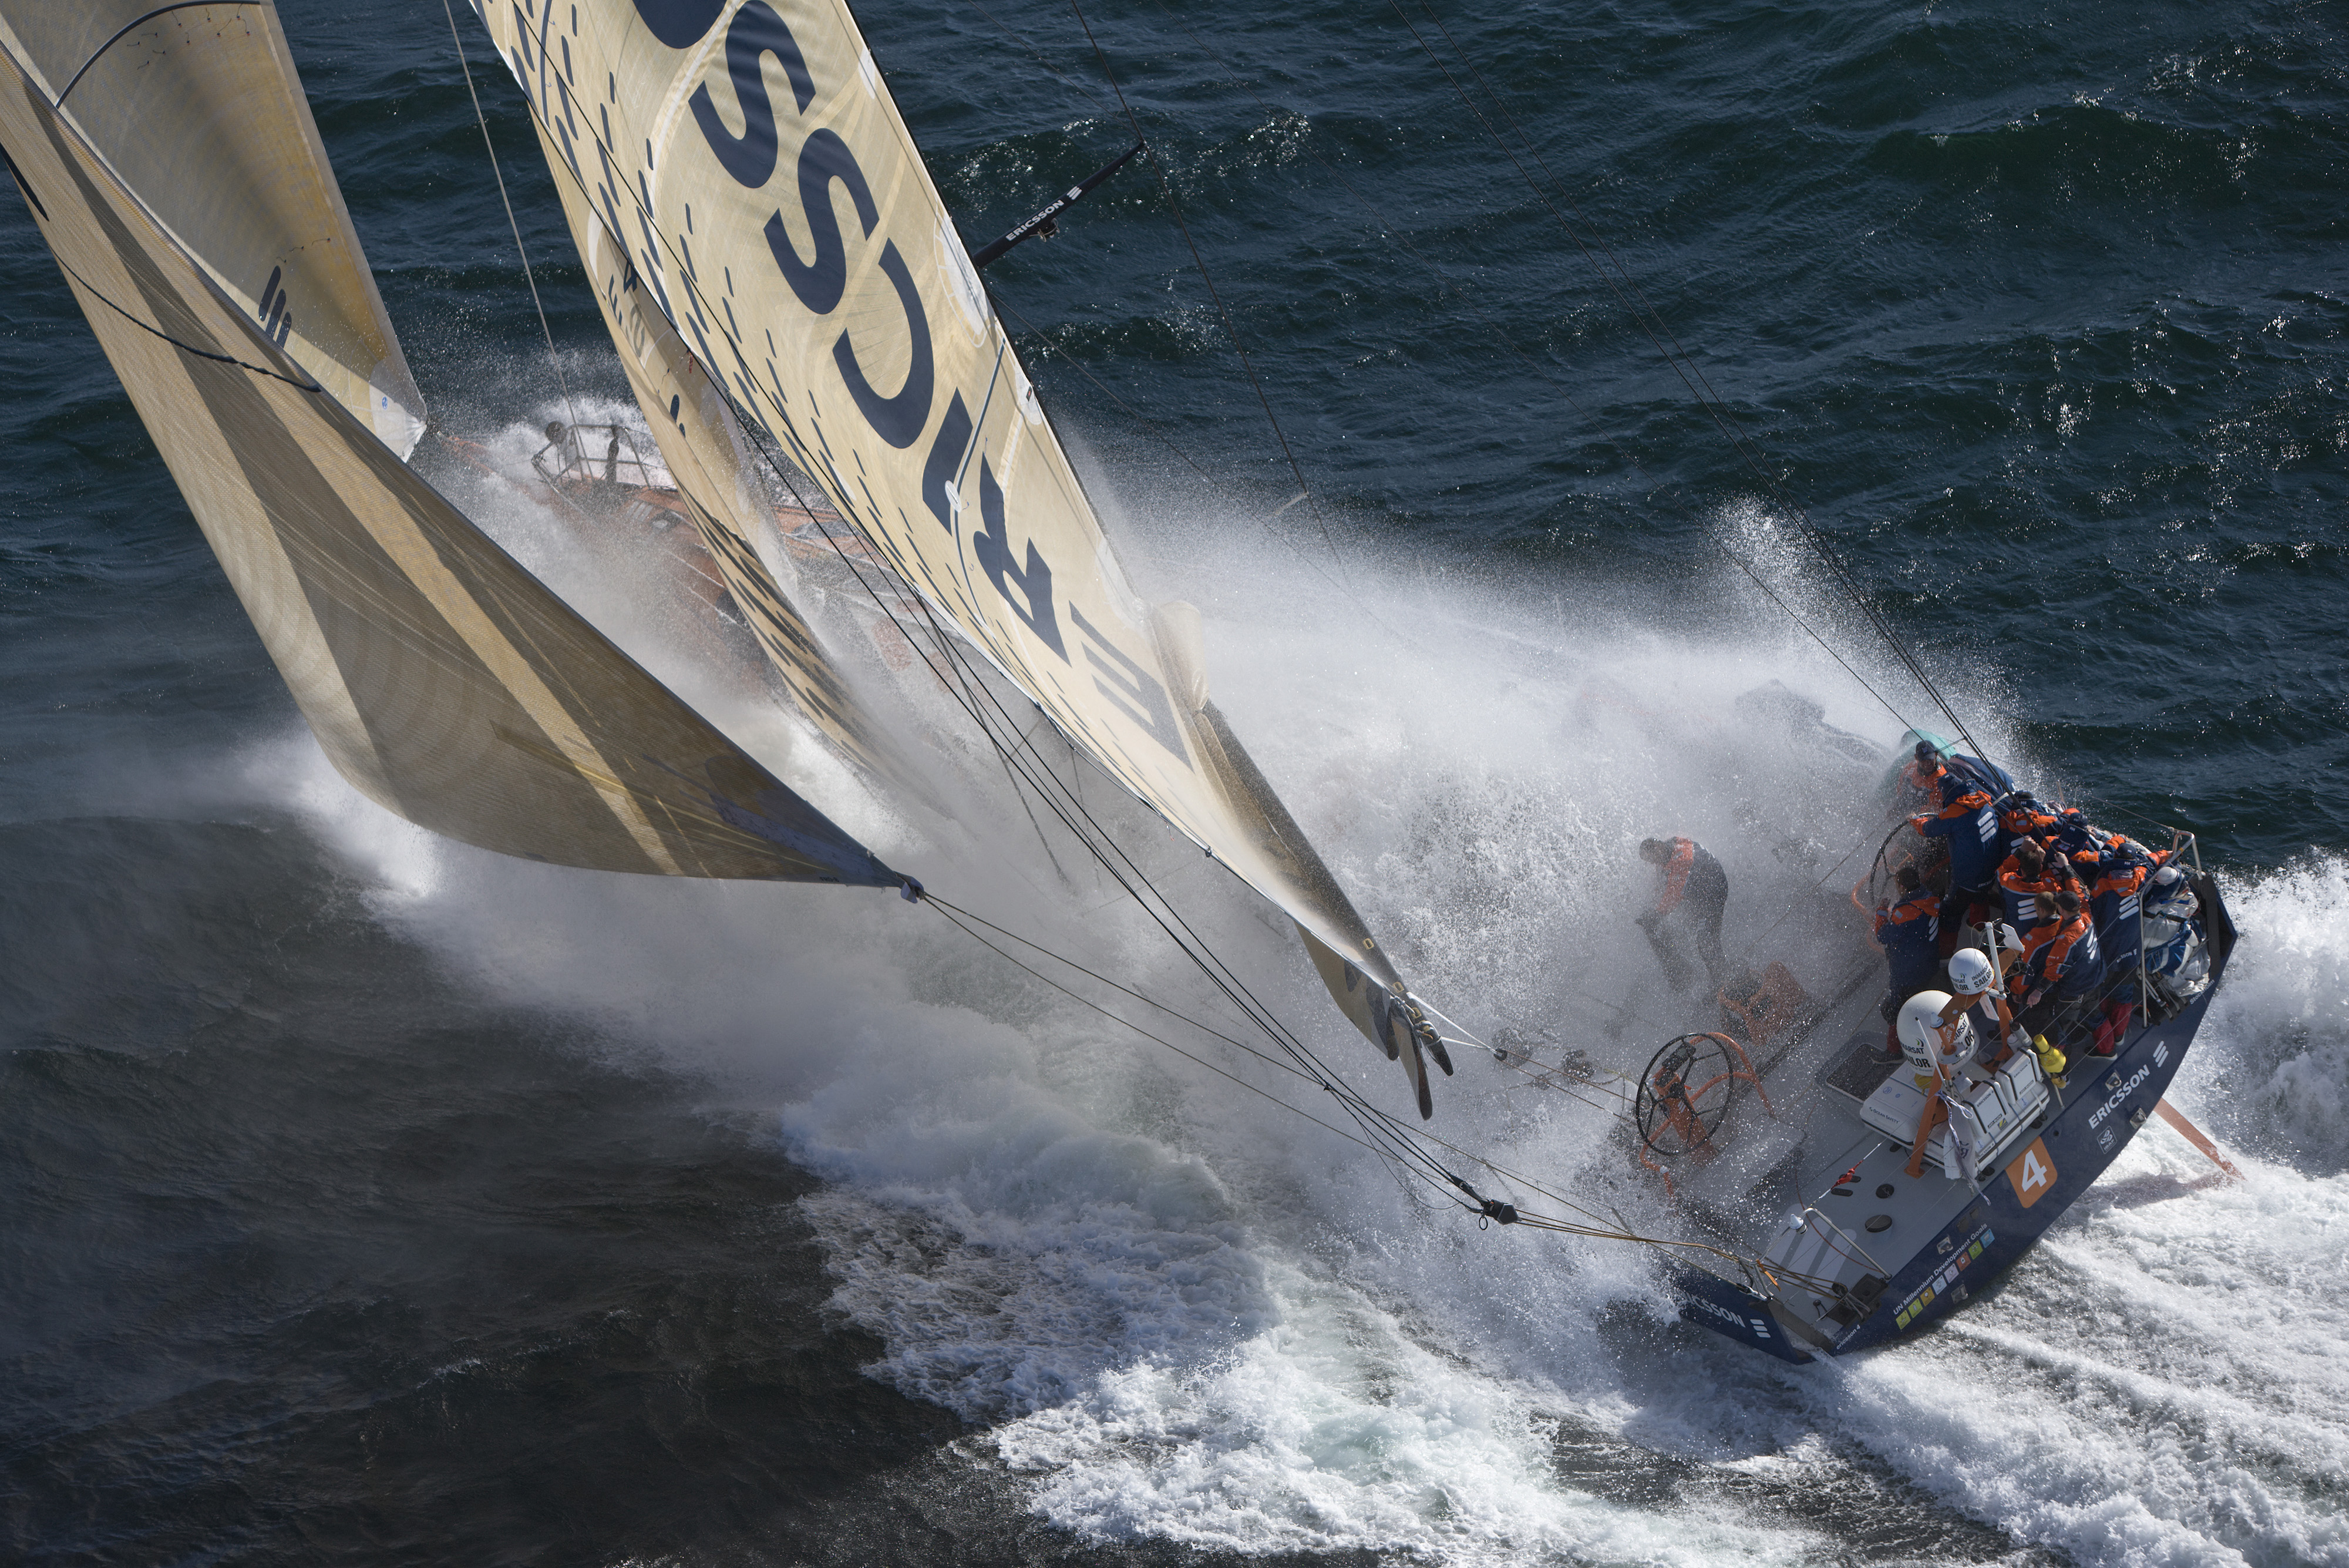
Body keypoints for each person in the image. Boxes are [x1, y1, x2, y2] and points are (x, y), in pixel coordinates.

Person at [1912, 772, 2001, 953]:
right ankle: (1981, 931)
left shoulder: (1955, 811)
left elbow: (1927, 829)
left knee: (1949, 913)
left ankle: (1945, 955)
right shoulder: (1985, 801)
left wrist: (1915, 819)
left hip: (1966, 881)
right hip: (1991, 873)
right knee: (1980, 897)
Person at [2018, 889, 2110, 1054]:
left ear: (2061, 910)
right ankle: (2109, 1048)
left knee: (2060, 1025)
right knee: (2095, 1014)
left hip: (2076, 990)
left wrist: (2038, 991)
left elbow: (2055, 970)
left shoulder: (2066, 940)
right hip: (2096, 978)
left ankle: (2062, 1064)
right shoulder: (2087, 917)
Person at [1637, 836, 1728, 991]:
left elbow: (1675, 892)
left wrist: (1657, 914)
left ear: (1657, 848)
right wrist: (1653, 908)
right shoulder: (1670, 848)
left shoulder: (1682, 858)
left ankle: (1723, 983)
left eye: (1652, 859)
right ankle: (1693, 972)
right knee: (1684, 929)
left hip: (1713, 893)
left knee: (1705, 941)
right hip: (1698, 891)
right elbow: (1663, 886)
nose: (1654, 863)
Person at [1873, 864, 1940, 1058]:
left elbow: (1883, 936)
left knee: (1894, 1009)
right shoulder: (1931, 898)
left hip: (1908, 975)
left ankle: (1894, 1052)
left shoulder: (1904, 914)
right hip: (1930, 965)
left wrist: (1881, 912)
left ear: (1901, 886)